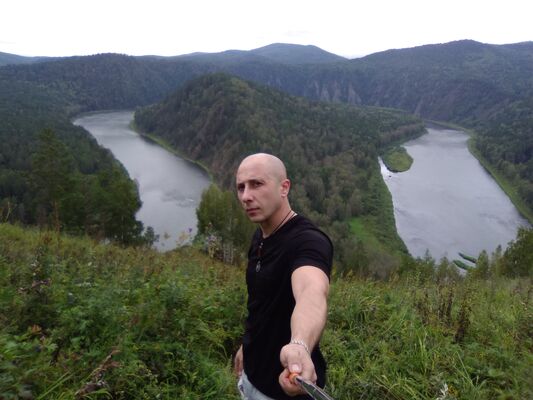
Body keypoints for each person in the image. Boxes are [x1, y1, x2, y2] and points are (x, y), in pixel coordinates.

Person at [233, 153, 333, 399]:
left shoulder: (308, 241)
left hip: (286, 387)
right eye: (241, 187)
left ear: (284, 187)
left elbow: (311, 291)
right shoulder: (260, 236)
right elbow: (260, 305)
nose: (246, 196)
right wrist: (247, 346)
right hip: (250, 376)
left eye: (257, 184)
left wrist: (300, 345)